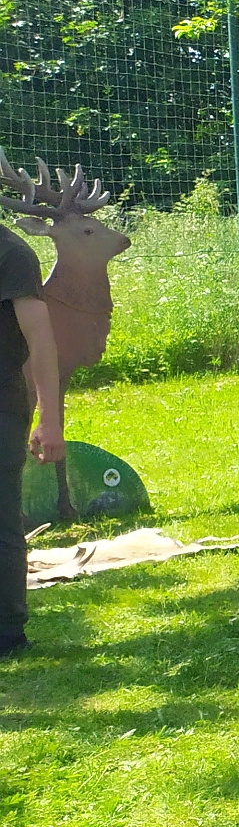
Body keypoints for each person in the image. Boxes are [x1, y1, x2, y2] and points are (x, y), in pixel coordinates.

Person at [0, 211, 64, 660]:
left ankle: (7, 631)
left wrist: (50, 419)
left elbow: (41, 339)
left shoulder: (12, 255)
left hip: (2, 406)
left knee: (1, 519)